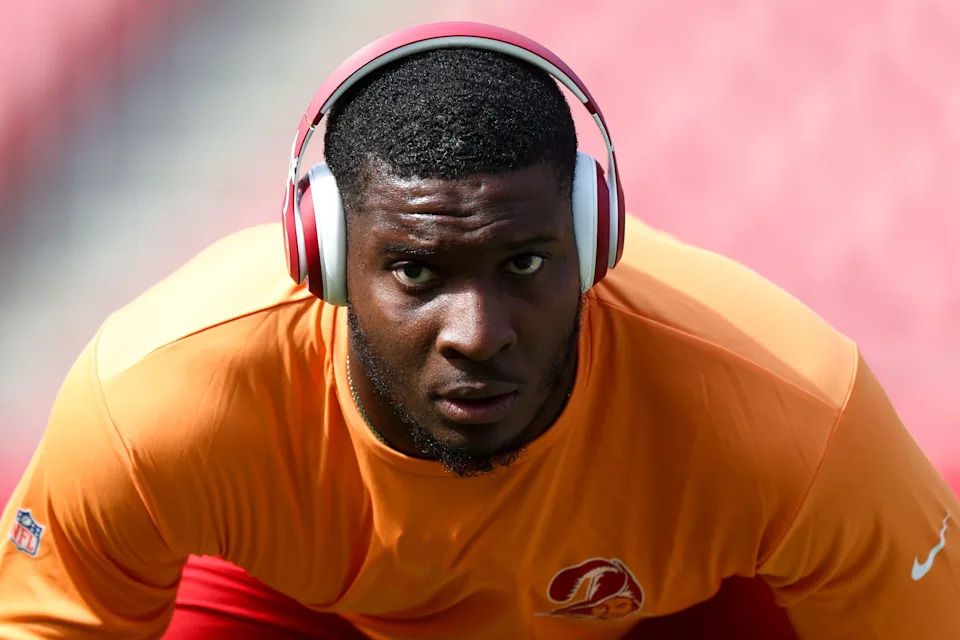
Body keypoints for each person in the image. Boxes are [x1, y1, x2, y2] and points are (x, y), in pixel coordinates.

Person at [1, 21, 958, 640]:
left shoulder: (792, 417)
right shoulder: (161, 398)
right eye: (416, 272)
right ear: (324, 262)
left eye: (527, 264)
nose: (477, 333)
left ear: (595, 238)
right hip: (296, 611)